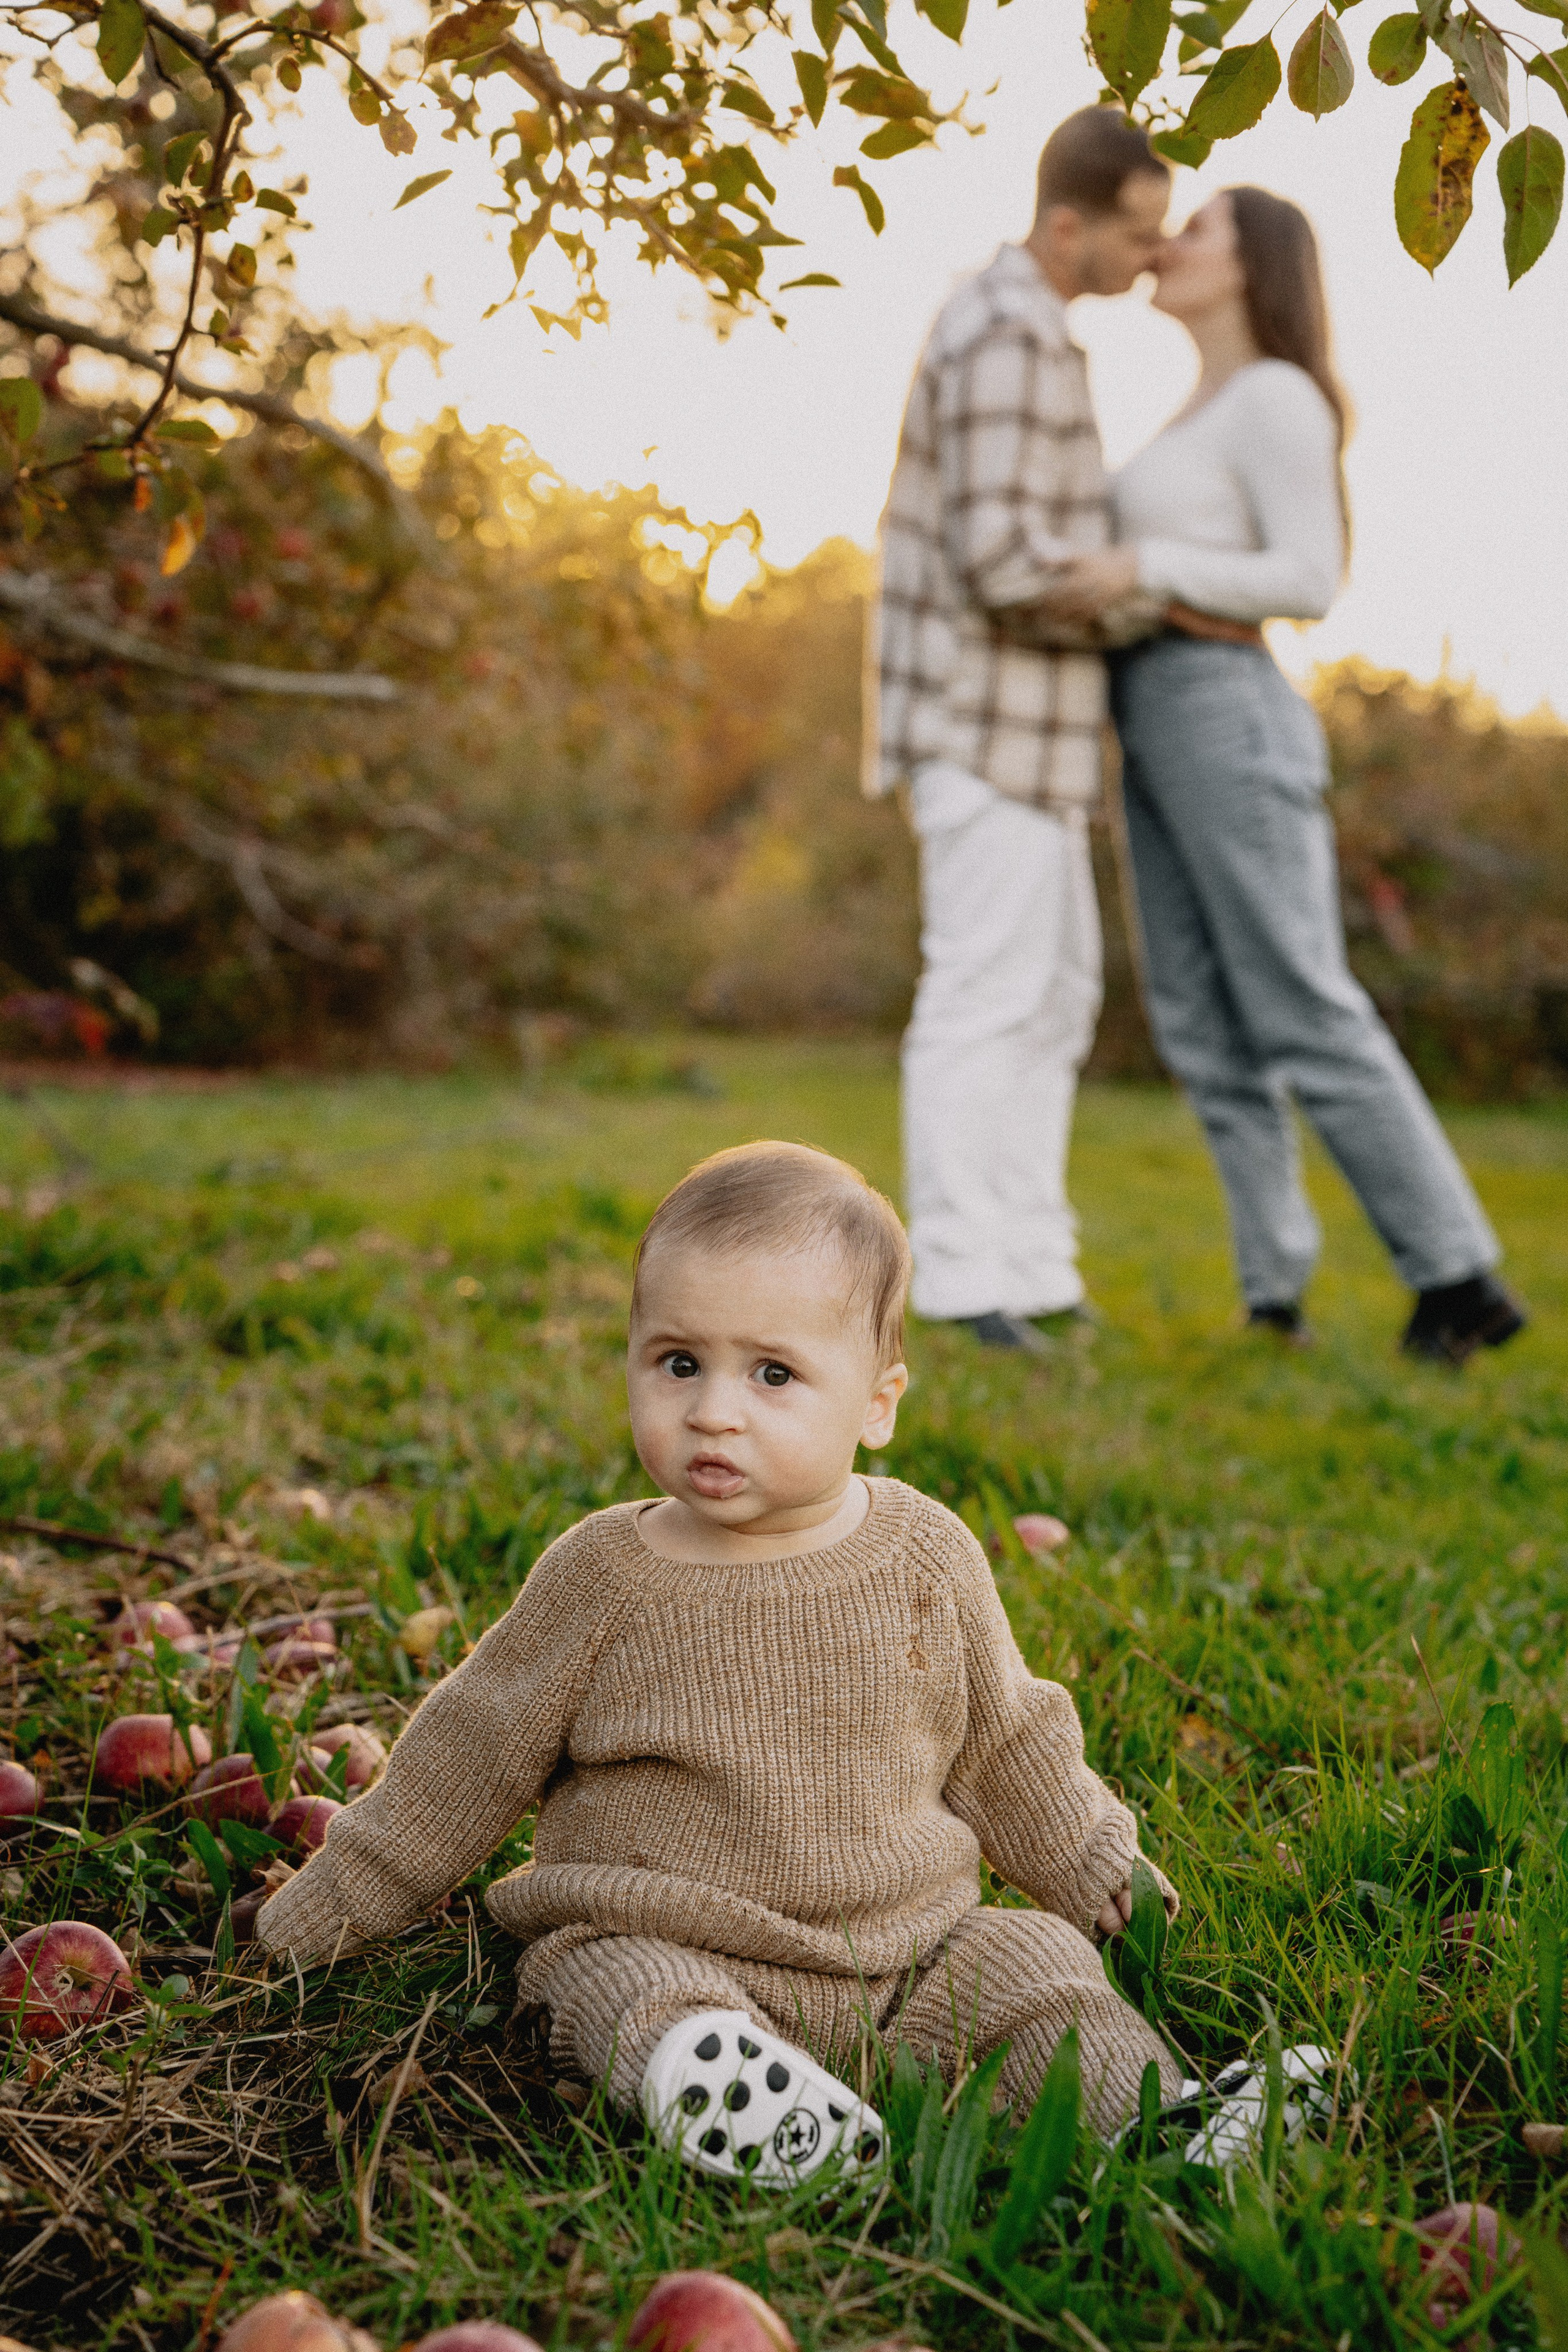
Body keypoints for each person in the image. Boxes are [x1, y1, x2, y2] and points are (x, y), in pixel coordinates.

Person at [255, 1140, 1185, 2174]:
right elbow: (466, 1759)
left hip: (907, 1960)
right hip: (673, 1942)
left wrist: (1091, 1862)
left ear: (878, 1404)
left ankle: (1156, 2121)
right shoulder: (604, 1576)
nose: (713, 1409)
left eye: (774, 1373)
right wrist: (324, 1913)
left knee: (1039, 1968)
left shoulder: (928, 1555)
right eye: (679, 1362)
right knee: (612, 1987)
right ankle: (735, 2098)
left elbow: (1008, 1740)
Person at [1044, 187, 1525, 1365]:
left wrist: (1139, 564)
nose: (1169, 242)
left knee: (1303, 1003)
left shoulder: (1275, 398)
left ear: (1253, 267)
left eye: (1195, 230)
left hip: (1227, 711)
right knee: (1203, 1025)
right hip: (1152, 718)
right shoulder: (1194, 410)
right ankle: (1274, 1296)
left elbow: (1311, 577)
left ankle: (1458, 1273)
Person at [865, 109, 1170, 1352]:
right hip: (977, 727)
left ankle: (1032, 1266)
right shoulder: (1001, 332)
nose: (1147, 256)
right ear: (1066, 225)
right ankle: (952, 1281)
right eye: (1134, 232)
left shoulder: (1039, 331)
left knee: (1051, 999)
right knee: (982, 997)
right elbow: (997, 561)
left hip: (1035, 743)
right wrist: (1147, 588)